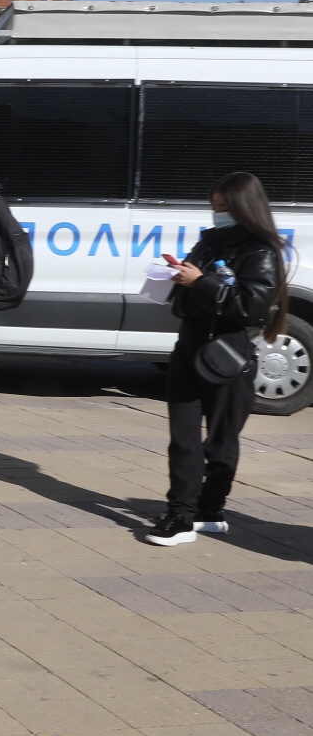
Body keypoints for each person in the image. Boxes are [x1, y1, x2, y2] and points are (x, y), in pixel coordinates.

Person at [149, 172, 288, 546]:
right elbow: (184, 303)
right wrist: (178, 278)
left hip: (229, 354)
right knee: (183, 437)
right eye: (214, 207)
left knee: (222, 441)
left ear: (246, 208)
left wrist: (199, 283)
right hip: (189, 349)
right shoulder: (207, 243)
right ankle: (180, 514)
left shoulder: (261, 251)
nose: (218, 215)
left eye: (225, 208)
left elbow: (249, 307)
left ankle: (211, 510)